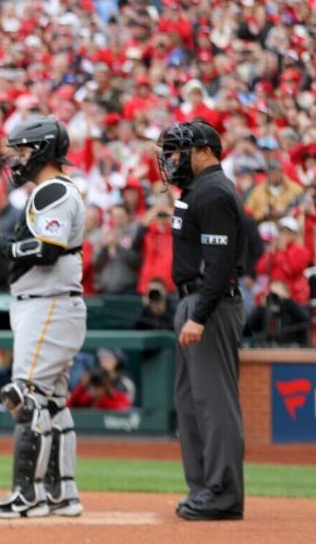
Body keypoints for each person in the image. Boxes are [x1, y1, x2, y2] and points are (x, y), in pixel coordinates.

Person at [0, 116, 87, 518]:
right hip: (48, 301)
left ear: (43, 150)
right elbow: (38, 249)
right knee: (50, 403)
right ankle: (62, 494)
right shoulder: (50, 192)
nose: (18, 160)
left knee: (24, 396)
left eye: (25, 151)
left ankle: (26, 495)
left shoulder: (52, 192)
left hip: (48, 302)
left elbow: (47, 249)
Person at [157, 120, 246, 521]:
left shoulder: (214, 191)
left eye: (180, 152)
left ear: (206, 151)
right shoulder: (197, 191)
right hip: (191, 302)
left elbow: (220, 263)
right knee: (191, 404)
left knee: (215, 403)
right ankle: (204, 489)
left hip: (209, 305)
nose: (173, 160)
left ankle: (223, 493)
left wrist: (202, 314)